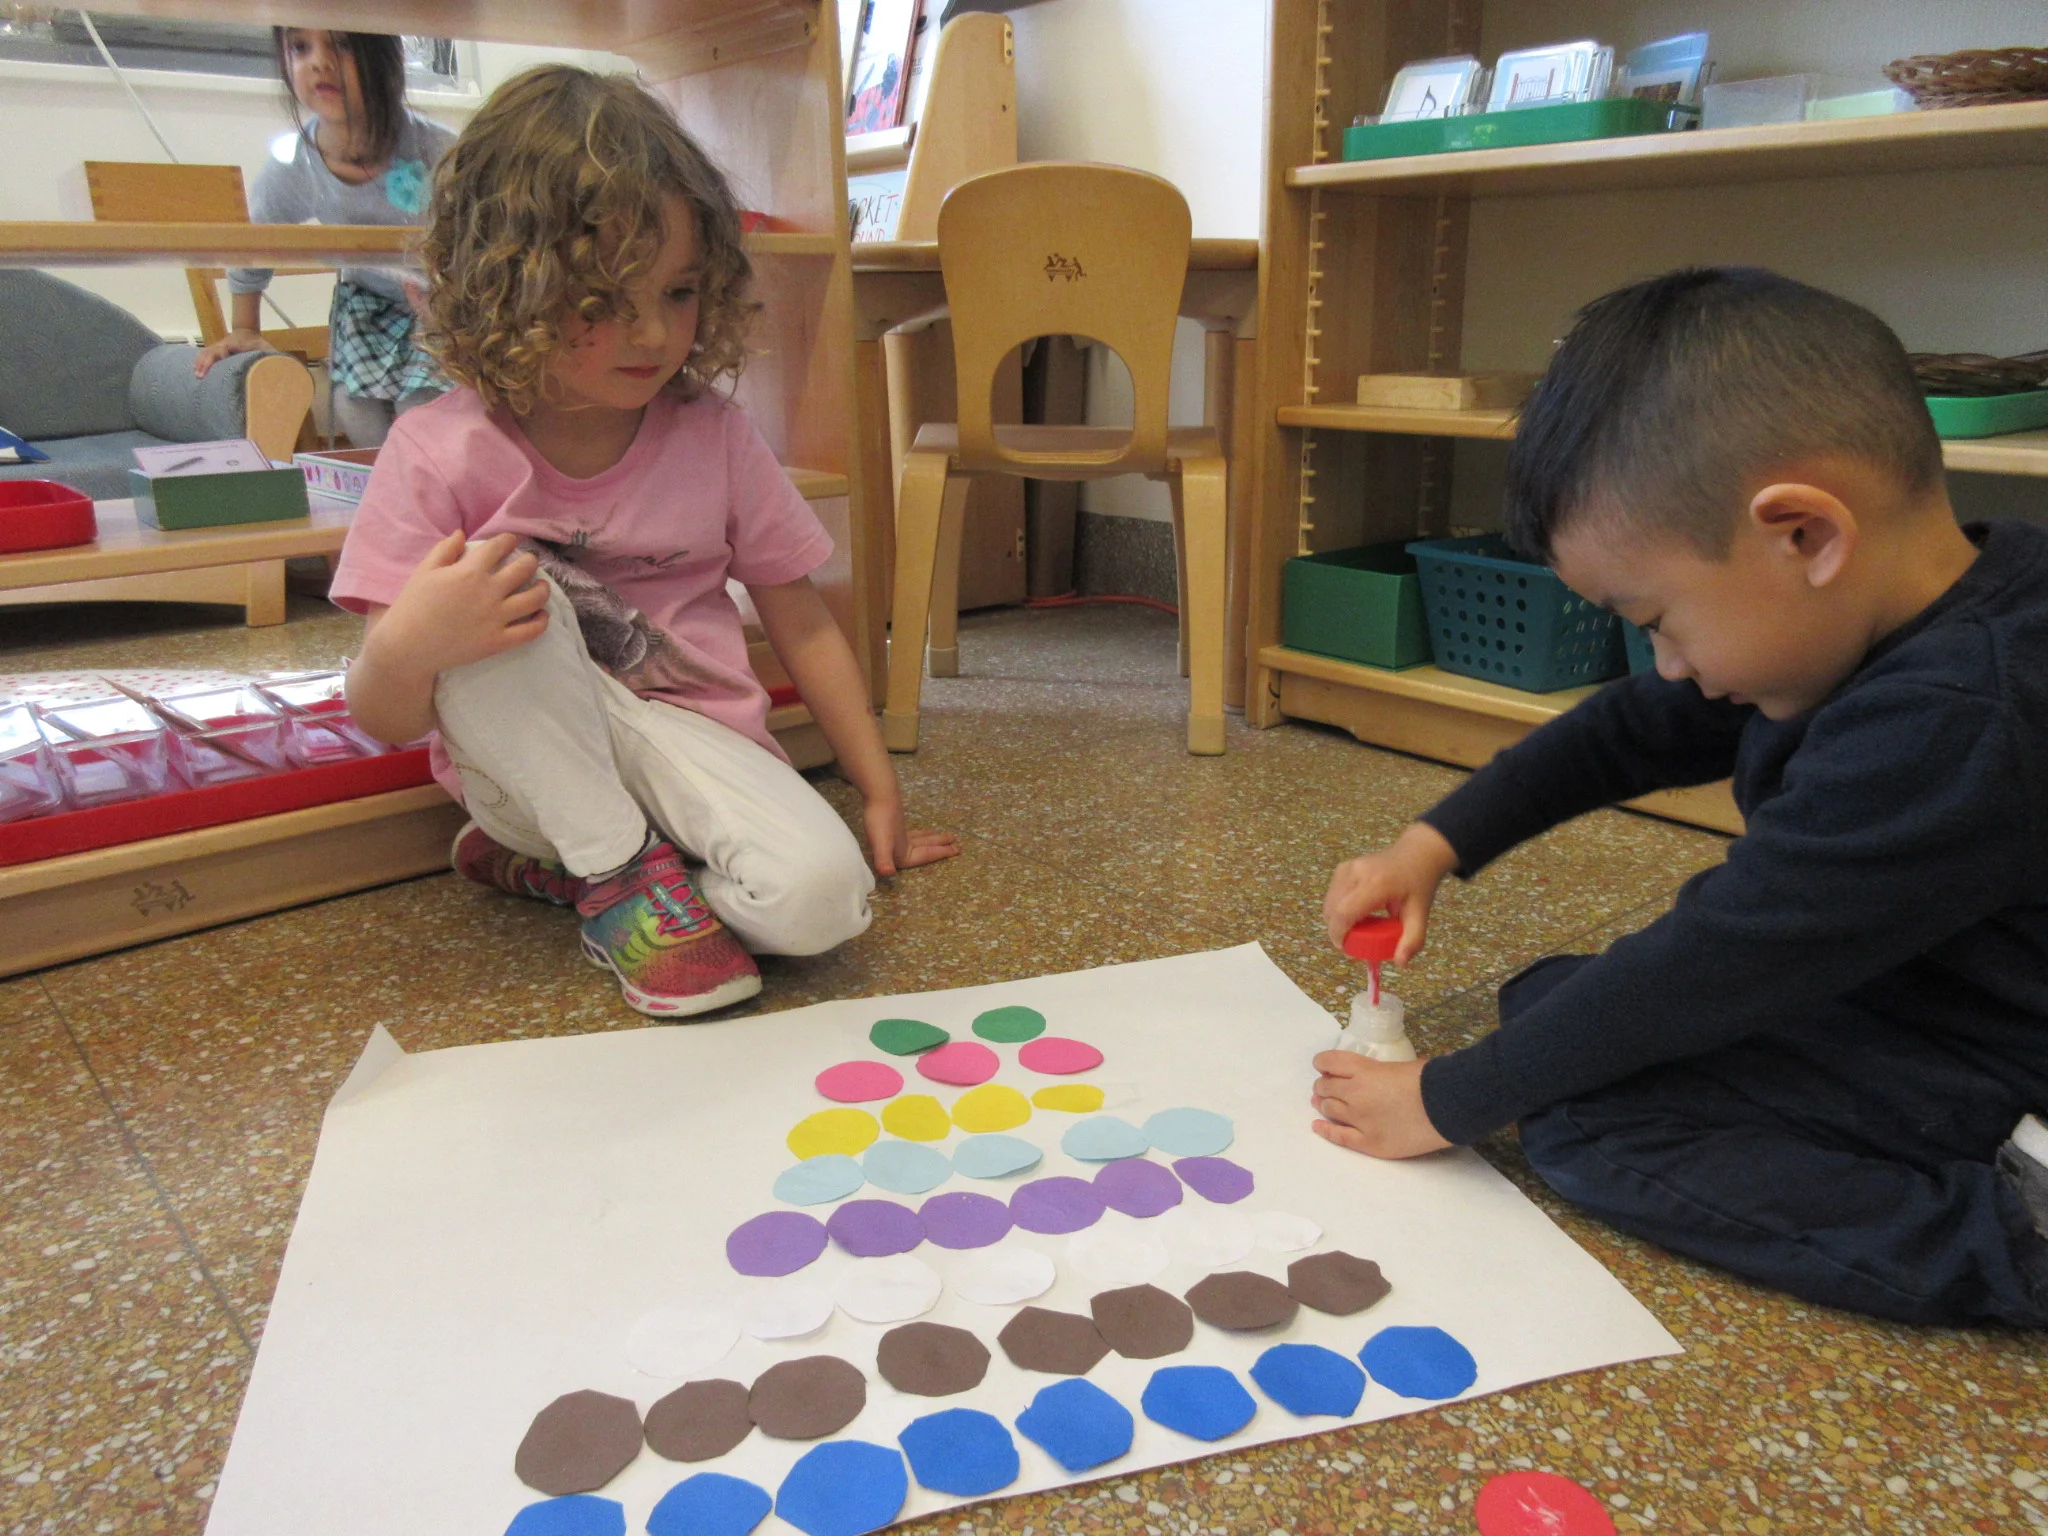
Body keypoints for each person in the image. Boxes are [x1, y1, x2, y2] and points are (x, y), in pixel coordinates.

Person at [1313, 267, 2048, 1329]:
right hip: (1922, 989)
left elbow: (1717, 961)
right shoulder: (1871, 601)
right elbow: (1630, 731)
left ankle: (2009, 1240)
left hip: (2004, 1074)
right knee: (1556, 1006)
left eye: (1653, 618)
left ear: (1802, 534)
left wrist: (1443, 1102)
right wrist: (1433, 843)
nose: (1657, 663)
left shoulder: (1959, 713)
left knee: (1590, 1129)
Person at [330, 65, 958, 1018]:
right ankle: (619, 877)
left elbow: (806, 621)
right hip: (527, 781)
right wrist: (411, 642)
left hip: (695, 748)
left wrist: (878, 788)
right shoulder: (435, 449)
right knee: (510, 589)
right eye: (601, 301)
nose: (652, 332)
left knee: (825, 904)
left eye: (678, 291)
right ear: (507, 286)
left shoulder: (713, 434)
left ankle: (583, 882)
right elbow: (385, 712)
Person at [194, 28, 453, 447]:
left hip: (443, 309)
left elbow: (494, 240)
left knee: (421, 410)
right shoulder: (296, 162)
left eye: (343, 45)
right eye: (300, 47)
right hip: (367, 306)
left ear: (388, 59)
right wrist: (244, 326)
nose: (319, 62)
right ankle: (387, 494)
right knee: (354, 408)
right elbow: (257, 240)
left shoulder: (439, 150)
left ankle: (426, 490)